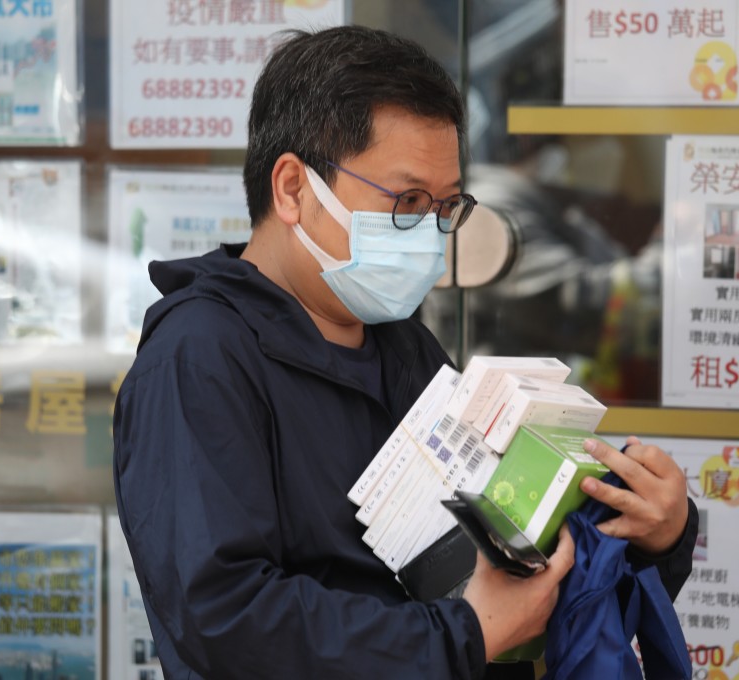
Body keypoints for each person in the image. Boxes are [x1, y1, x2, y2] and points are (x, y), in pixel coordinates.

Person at [113, 25, 696, 679]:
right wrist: (462, 635)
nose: (428, 232)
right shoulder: (200, 361)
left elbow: (496, 556)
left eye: (445, 207)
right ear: (292, 189)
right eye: (407, 201)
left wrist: (652, 532)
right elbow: (223, 622)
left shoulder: (401, 344)